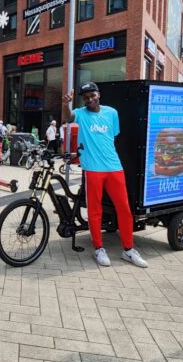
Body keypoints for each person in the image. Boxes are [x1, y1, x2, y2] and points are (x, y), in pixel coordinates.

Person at [62, 82, 148, 269]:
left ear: (98, 94)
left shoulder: (112, 113)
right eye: (86, 97)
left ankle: (128, 250)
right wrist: (65, 105)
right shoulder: (81, 113)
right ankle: (99, 248)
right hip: (93, 169)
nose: (90, 99)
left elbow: (113, 137)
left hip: (114, 167)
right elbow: (68, 118)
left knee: (124, 209)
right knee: (95, 210)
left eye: (92, 95)